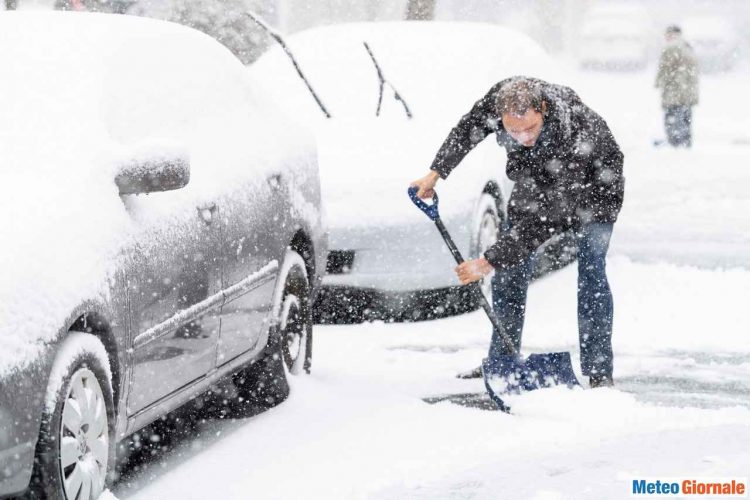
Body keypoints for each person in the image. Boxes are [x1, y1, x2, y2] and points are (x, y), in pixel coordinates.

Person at [410, 77, 624, 388]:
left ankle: (599, 370)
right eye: (513, 130)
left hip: (596, 189)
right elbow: (467, 131)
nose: (522, 136)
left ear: (544, 110)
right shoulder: (499, 100)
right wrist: (436, 173)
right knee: (510, 269)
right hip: (538, 176)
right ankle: (502, 360)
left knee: (591, 270)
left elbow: (541, 223)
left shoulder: (573, 136)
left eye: (530, 129)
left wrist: (486, 262)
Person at [655, 25, 699, 147]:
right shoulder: (687, 47)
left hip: (675, 93)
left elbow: (664, 70)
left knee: (673, 121)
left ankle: (675, 144)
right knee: (686, 121)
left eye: (668, 34)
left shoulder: (671, 48)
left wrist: (659, 82)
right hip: (688, 93)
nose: (666, 38)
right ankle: (685, 143)